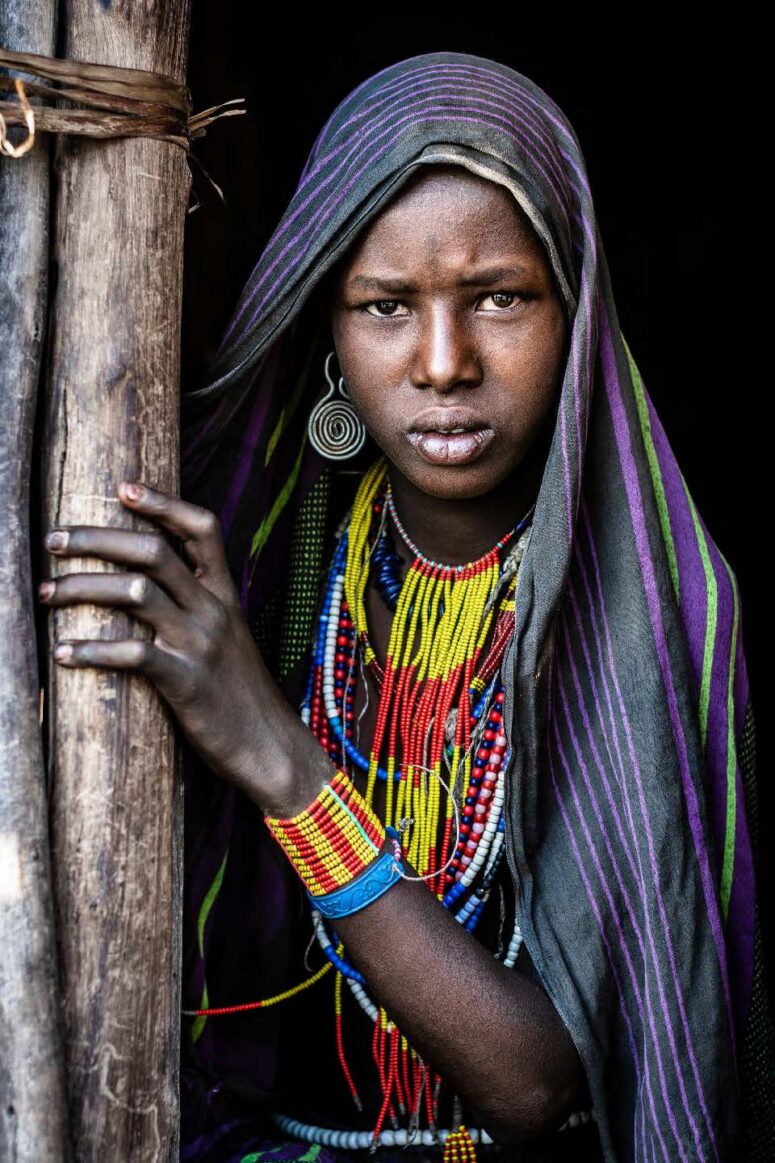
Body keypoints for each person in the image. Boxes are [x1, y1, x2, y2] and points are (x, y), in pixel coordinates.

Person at [38, 51, 773, 1162]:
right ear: (324, 325)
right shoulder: (273, 560)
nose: (442, 362)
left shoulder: (659, 618)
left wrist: (278, 755)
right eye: (384, 306)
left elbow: (533, 1081)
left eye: (501, 297)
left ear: (575, 312)